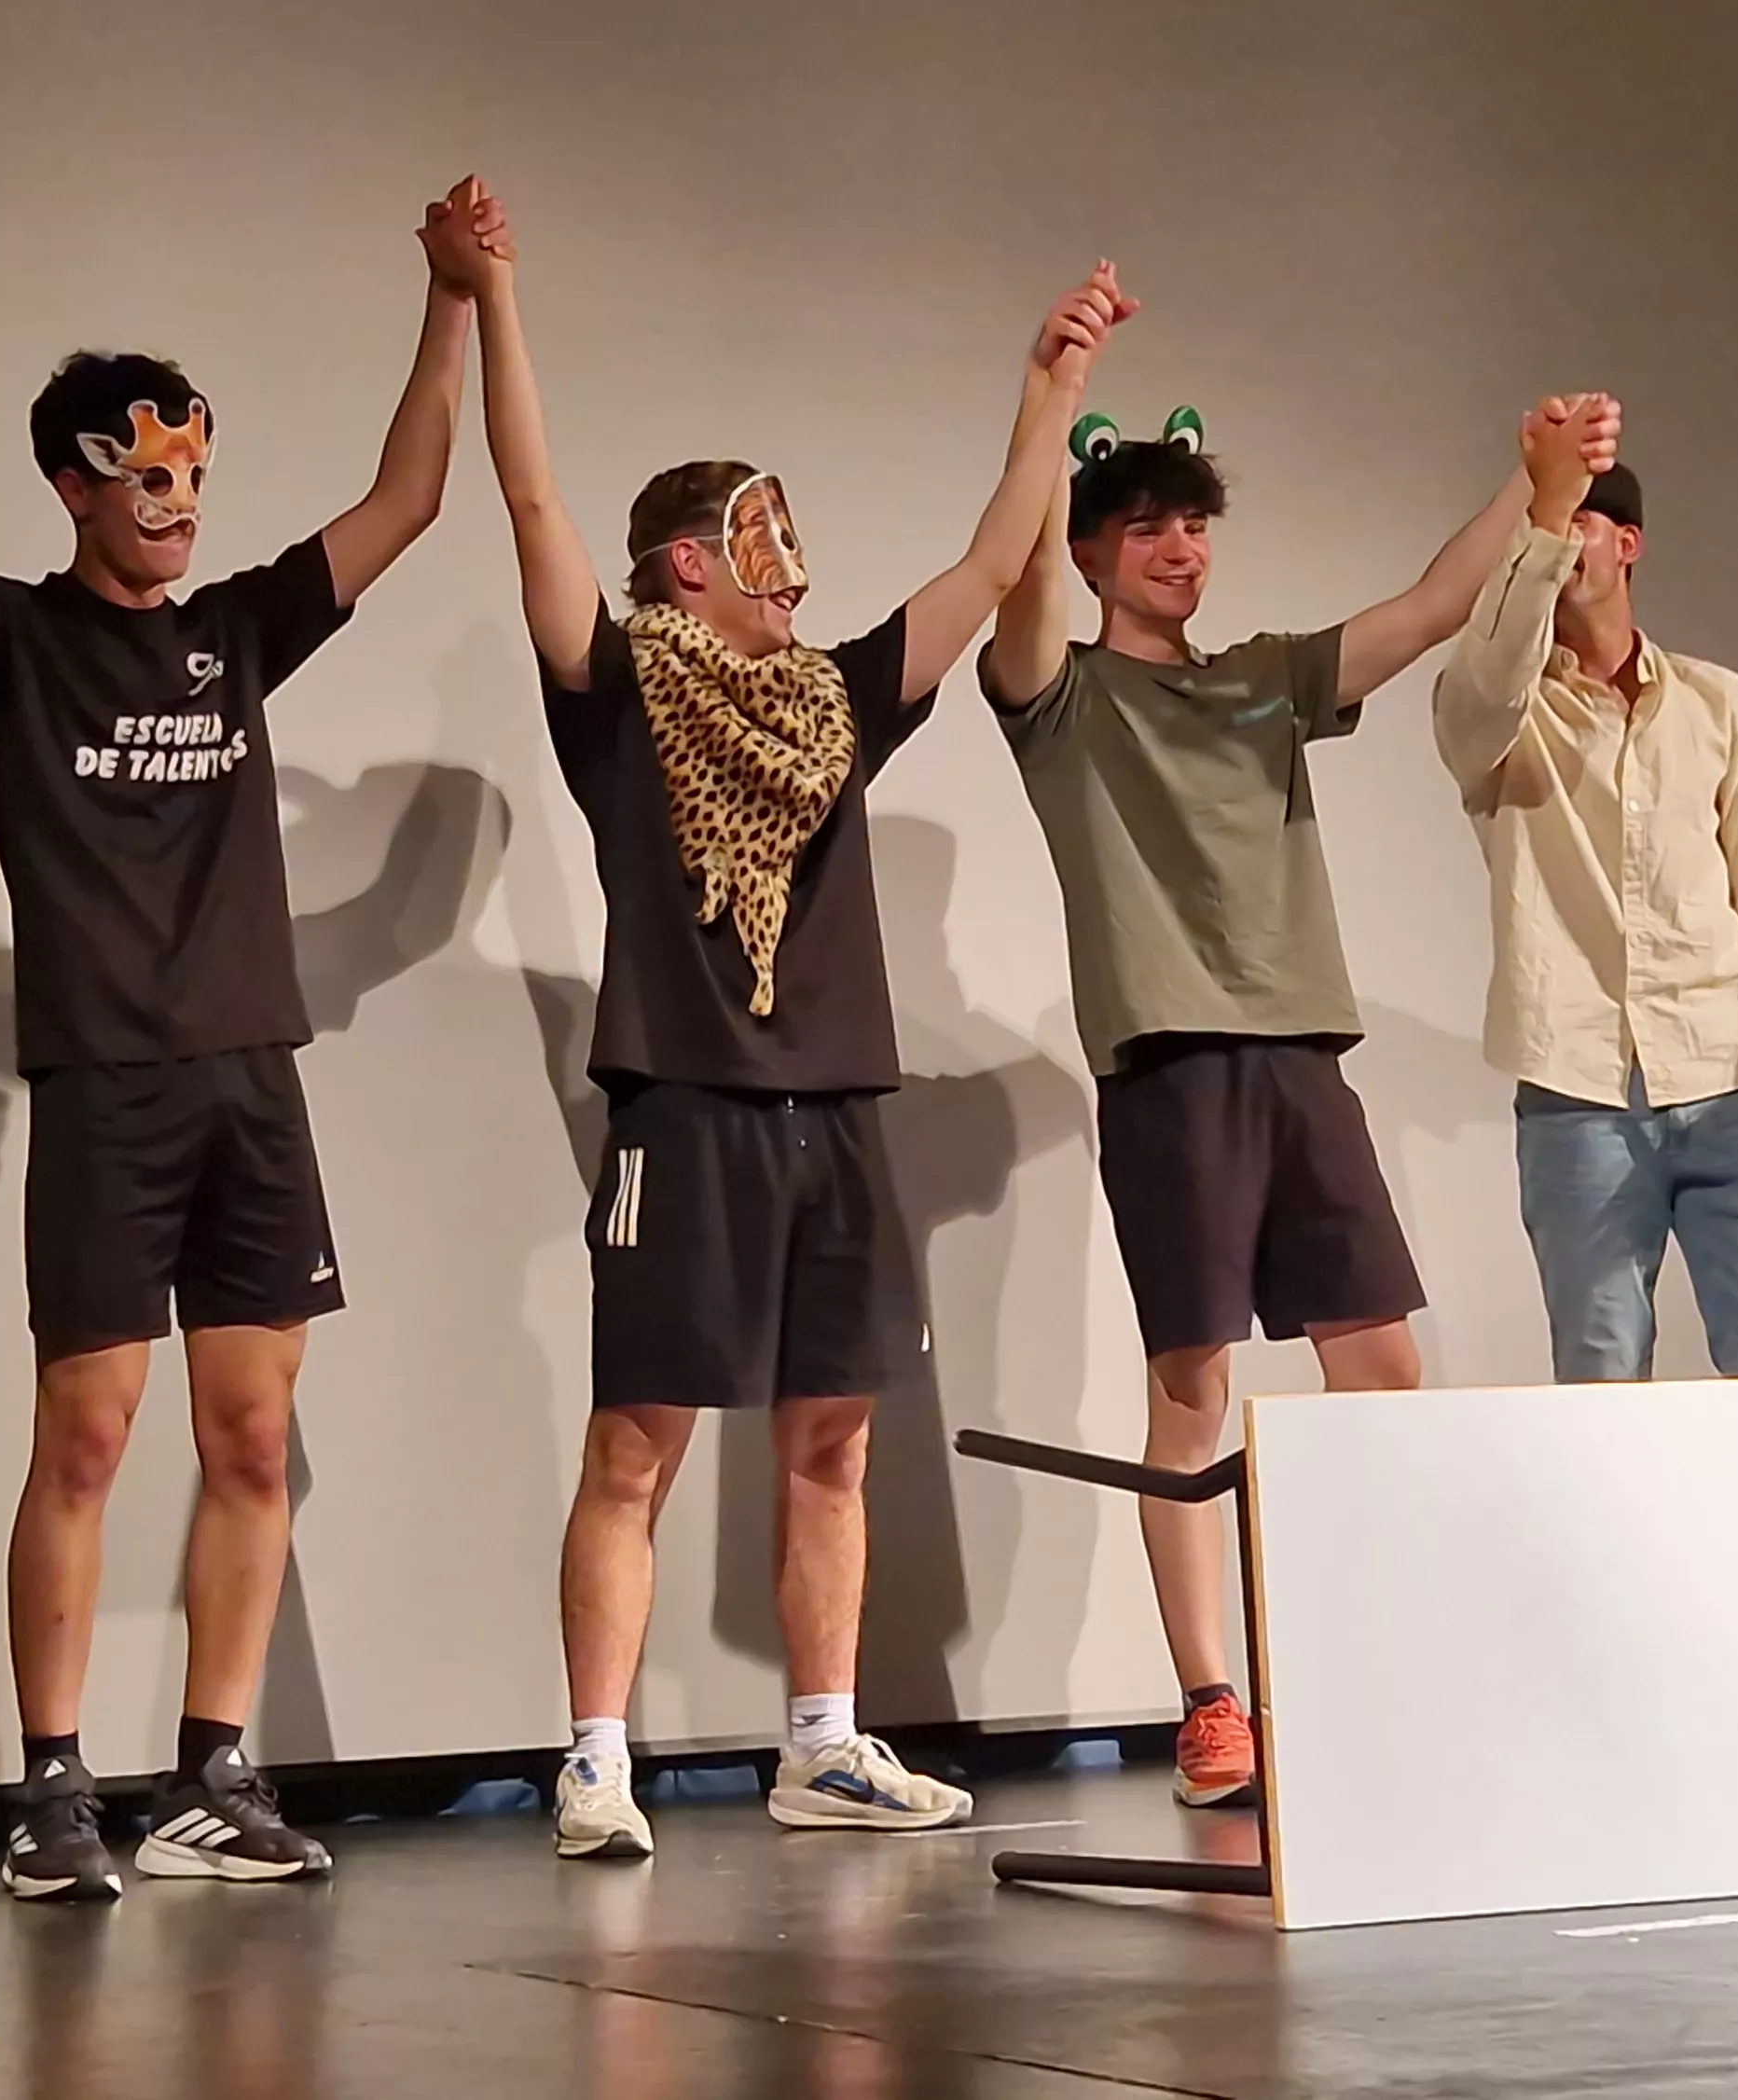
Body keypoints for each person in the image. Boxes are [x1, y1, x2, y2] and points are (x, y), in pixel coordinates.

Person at [435, 179, 1127, 1860]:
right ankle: (593, 1754)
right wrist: (492, 296)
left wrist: (1052, 392)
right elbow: (529, 496)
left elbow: (984, 564)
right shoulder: (617, 689)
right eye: (762, 536)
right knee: (639, 1437)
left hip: (838, 1110)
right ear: (692, 559)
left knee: (835, 1433)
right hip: (687, 1106)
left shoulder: (832, 710)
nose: (794, 569)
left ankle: (820, 1739)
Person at [0, 188, 477, 1896]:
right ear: (75, 482)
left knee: (255, 1437)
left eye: (195, 480)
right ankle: (53, 1784)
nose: (178, 509)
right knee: (85, 1434)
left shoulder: (234, 634)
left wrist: (445, 302)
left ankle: (212, 1768)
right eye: (148, 481)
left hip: (249, 1078)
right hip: (105, 1085)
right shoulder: (17, 638)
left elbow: (411, 498)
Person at [975, 392, 1619, 1810]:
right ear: (1092, 552)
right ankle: (1215, 1703)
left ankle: (1385, 1661)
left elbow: (1438, 603)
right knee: (1191, 1391)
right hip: (1169, 1070)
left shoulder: (1262, 679)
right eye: (1147, 528)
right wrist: (1051, 398)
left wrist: (1544, 489)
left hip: (1300, 1061)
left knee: (1381, 1371)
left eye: (1195, 527)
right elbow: (1013, 585)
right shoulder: (1064, 695)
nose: (1180, 551)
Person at [1432, 444, 1738, 1384]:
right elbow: (1486, 674)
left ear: (1626, 544)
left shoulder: (1714, 701)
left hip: (1732, 1077)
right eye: (1535, 537)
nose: (1550, 550)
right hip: (1577, 1092)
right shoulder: (1495, 708)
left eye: (1575, 523)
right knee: (1601, 1381)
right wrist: (1540, 515)